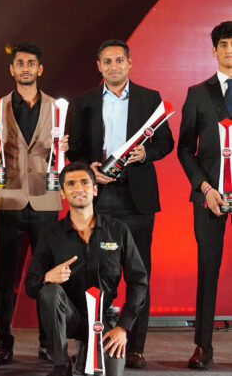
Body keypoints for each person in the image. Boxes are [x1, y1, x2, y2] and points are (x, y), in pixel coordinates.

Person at [67, 39, 173, 369]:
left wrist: (147, 153)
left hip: (136, 197)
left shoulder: (149, 98)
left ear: (129, 63)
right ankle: (92, 343)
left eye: (119, 60)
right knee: (94, 272)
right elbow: (76, 149)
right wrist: (89, 169)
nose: (114, 66)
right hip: (99, 198)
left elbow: (167, 142)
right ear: (98, 66)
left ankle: (135, 346)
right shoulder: (84, 101)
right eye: (107, 61)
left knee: (139, 272)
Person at [0, 41, 67, 365]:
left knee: (48, 276)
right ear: (12, 69)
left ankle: (48, 343)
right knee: (4, 280)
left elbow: (62, 155)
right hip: (10, 197)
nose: (25, 68)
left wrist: (64, 150)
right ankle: (3, 344)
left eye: (31, 63)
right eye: (20, 63)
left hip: (46, 200)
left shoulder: (57, 107)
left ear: (40, 68)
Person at [25, 162, 148, 376]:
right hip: (69, 317)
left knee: (109, 371)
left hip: (103, 319)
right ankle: (61, 364)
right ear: (63, 193)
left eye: (84, 182)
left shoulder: (117, 230)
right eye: (71, 184)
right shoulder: (50, 234)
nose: (78, 188)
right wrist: (47, 277)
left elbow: (138, 280)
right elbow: (31, 285)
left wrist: (123, 327)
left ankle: (85, 354)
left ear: (94, 188)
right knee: (50, 291)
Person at [177, 20, 232, 370]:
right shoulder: (198, 93)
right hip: (211, 195)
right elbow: (184, 149)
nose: (229, 49)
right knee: (207, 271)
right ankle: (203, 346)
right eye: (223, 44)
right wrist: (205, 188)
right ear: (214, 50)